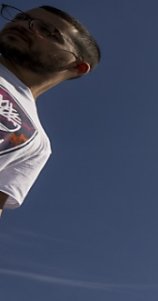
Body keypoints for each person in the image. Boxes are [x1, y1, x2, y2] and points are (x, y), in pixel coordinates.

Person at [0, 4, 99, 217]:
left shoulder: (38, 144)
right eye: (21, 18)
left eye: (49, 33)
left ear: (77, 66)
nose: (25, 26)